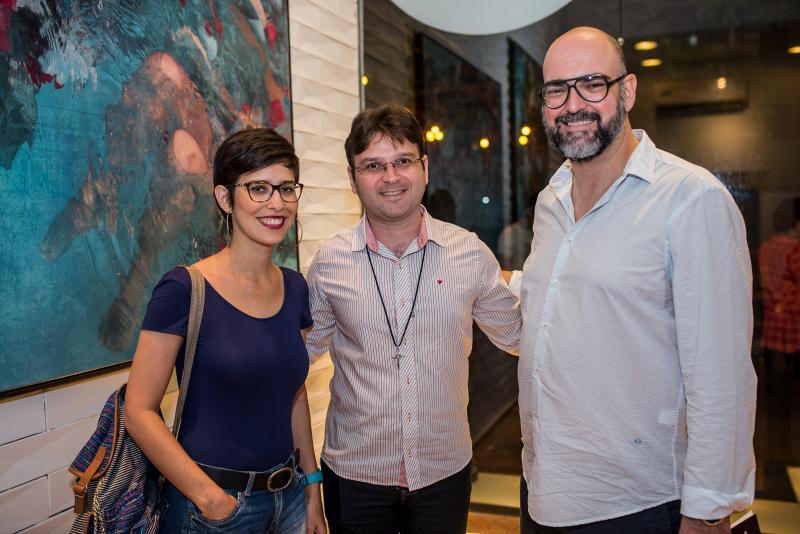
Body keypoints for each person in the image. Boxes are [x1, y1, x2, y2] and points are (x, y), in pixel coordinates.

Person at [510, 27, 757, 533]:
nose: (572, 104)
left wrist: (708, 512)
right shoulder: (549, 202)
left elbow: (722, 379)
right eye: (556, 90)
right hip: (542, 486)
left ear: (627, 90)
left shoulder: (691, 199)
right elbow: (565, 309)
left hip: (636, 504)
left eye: (592, 84)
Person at [305, 104, 521, 534]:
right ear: (351, 178)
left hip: (444, 472)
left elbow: (520, 334)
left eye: (403, 161)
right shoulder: (330, 262)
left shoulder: (469, 253)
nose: (391, 177)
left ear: (424, 167)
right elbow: (296, 358)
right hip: (356, 475)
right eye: (373, 165)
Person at [125, 128, 325, 534]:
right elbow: (139, 412)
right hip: (213, 510)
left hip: (289, 500)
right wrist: (210, 499)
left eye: (287, 188)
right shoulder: (183, 289)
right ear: (224, 198)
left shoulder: (295, 288)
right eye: (258, 188)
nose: (277, 203)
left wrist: (312, 489)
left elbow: (294, 392)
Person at [759, 198, 800, 369]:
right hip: (793, 314)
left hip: (772, 311)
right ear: (796, 223)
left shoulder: (766, 247)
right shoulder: (794, 249)